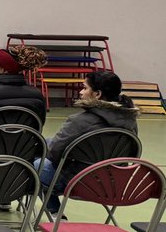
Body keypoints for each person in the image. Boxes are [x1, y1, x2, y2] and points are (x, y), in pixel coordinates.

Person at [37, 70, 139, 217]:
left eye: (85, 88)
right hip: (111, 185)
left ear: (97, 94)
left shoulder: (80, 121)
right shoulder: (130, 121)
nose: (80, 92)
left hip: (77, 183)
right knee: (46, 143)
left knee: (35, 164)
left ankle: (55, 214)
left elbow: (54, 154)